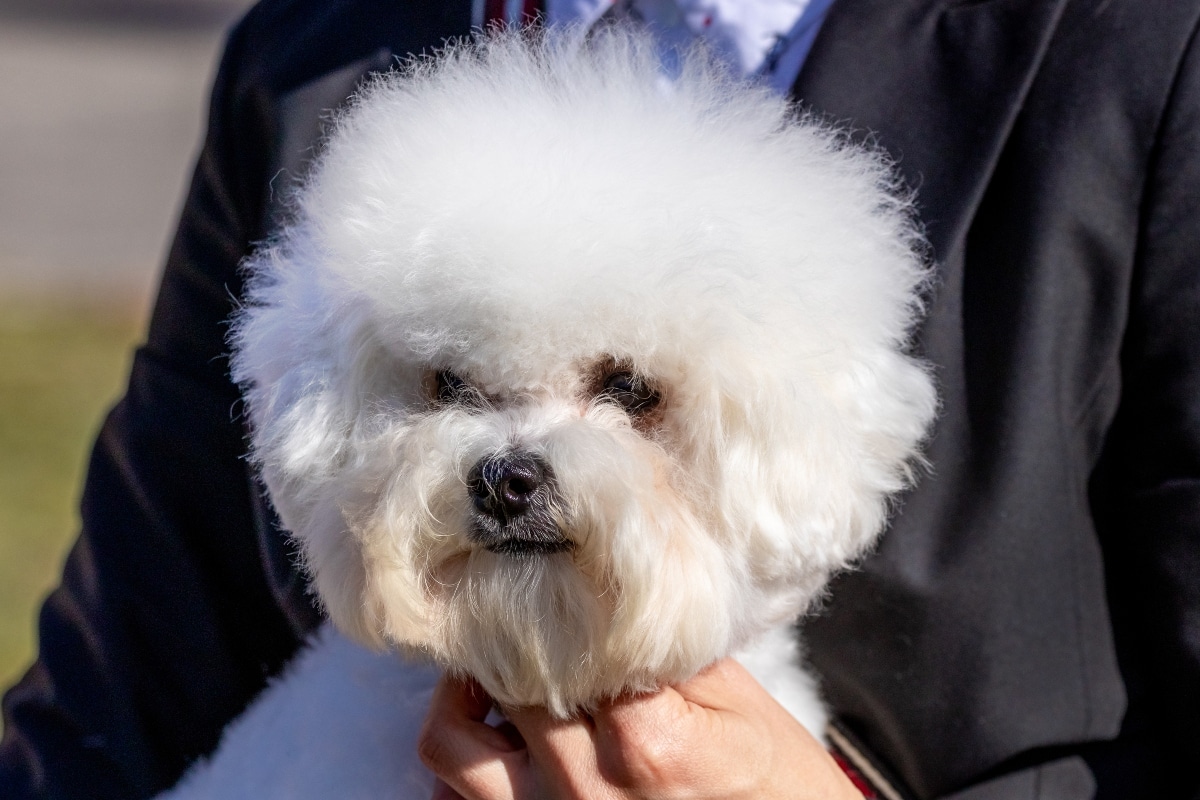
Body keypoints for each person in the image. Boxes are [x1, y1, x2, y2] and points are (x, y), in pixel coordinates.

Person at [2, 0, 1198, 797]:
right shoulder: (307, 46)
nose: (513, 463)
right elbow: (121, 693)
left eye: (627, 390)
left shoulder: (1147, 51)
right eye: (452, 388)